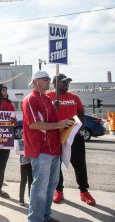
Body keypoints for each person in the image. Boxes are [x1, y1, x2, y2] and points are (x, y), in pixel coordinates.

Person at [22, 71, 74, 222]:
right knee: (40, 186)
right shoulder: (30, 99)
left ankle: (45, 215)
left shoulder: (47, 99)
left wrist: (67, 124)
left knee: (51, 185)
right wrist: (59, 124)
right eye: (45, 79)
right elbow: (33, 124)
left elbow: (52, 123)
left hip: (54, 148)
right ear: (36, 81)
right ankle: (35, 219)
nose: (49, 81)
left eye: (49, 79)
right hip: (41, 149)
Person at [47, 74, 96, 205]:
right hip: (55, 136)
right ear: (54, 83)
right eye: (64, 82)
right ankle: (59, 190)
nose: (67, 84)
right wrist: (53, 107)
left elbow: (81, 113)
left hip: (74, 135)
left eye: (68, 82)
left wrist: (81, 127)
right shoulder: (48, 97)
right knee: (56, 165)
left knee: (80, 164)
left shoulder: (74, 97)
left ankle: (84, 191)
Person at [19, 141, 33, 206]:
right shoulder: (20, 141)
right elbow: (17, 151)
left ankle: (30, 198)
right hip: (23, 163)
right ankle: (21, 199)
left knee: (31, 180)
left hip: (32, 163)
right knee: (23, 181)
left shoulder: (33, 140)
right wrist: (27, 152)